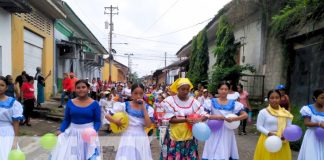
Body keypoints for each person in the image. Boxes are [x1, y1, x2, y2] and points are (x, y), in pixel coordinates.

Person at [50, 79, 101, 160]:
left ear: (88, 89)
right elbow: (66, 119)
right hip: (73, 133)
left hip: (88, 134)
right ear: (75, 89)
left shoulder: (95, 104)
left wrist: (93, 132)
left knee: (87, 155)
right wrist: (61, 130)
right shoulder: (70, 102)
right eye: (78, 87)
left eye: (83, 87)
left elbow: (97, 121)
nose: (81, 89)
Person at [160, 78, 208, 160]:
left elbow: (205, 114)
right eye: (183, 89)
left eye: (187, 89)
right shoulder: (170, 101)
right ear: (178, 89)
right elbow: (171, 119)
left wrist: (199, 119)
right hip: (175, 137)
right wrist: (186, 120)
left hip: (190, 137)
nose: (185, 91)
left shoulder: (193, 101)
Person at [105, 83, 154, 160]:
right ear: (131, 94)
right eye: (135, 93)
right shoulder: (124, 105)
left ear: (144, 94)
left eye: (141, 93)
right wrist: (115, 121)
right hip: (128, 136)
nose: (138, 96)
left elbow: (148, 125)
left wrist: (144, 108)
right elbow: (107, 115)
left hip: (141, 136)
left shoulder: (148, 108)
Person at [202, 82, 248, 160]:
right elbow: (205, 115)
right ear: (218, 90)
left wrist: (233, 119)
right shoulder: (210, 102)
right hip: (214, 131)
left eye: (226, 89)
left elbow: (245, 115)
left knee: (225, 151)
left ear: (228, 91)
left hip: (227, 131)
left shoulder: (234, 103)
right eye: (221, 89)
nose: (223, 91)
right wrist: (220, 117)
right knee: (213, 152)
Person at [253, 90, 293, 160]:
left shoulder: (285, 113)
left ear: (280, 99)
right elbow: (259, 126)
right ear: (268, 100)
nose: (274, 100)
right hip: (267, 140)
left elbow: (289, 126)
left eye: (277, 97)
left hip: (282, 140)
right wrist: (268, 133)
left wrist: (286, 134)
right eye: (272, 98)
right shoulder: (263, 112)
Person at [0, 76, 24, 160]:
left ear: (6, 87)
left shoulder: (13, 103)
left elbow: (16, 124)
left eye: (2, 85)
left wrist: (15, 141)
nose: (0, 87)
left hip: (7, 133)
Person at [298, 89, 324, 160]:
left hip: (323, 138)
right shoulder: (308, 109)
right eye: (322, 98)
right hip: (312, 137)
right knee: (312, 156)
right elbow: (306, 123)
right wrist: (319, 123)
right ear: (315, 98)